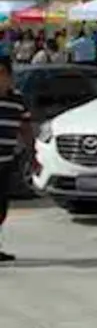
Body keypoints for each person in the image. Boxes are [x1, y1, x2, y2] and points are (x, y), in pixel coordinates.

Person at [0, 57, 31, 262]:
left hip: (5, 163)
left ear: (10, 77)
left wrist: (32, 152)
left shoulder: (17, 100)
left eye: (3, 73)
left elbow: (25, 128)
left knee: (1, 209)